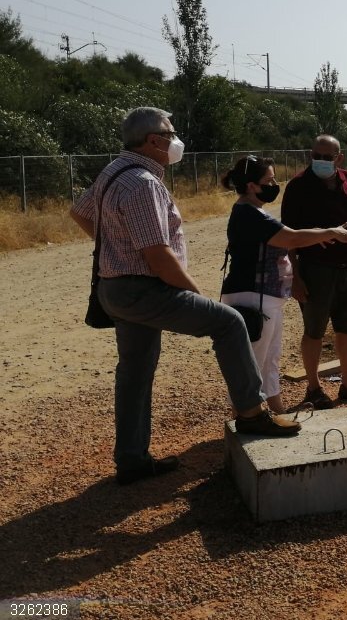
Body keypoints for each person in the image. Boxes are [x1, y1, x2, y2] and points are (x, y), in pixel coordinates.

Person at [70, 107, 301, 486]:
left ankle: (131, 459)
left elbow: (78, 212)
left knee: (135, 371)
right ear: (154, 142)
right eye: (170, 132)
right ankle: (250, 413)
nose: (175, 139)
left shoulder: (113, 171)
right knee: (228, 322)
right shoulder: (143, 183)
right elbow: (158, 256)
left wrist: (116, 244)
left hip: (114, 290)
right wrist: (194, 293)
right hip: (143, 289)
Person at [219, 154, 347, 414]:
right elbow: (291, 238)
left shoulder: (254, 211)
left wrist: (318, 237)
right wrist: (331, 232)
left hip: (266, 296)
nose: (274, 185)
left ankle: (275, 411)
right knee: (252, 362)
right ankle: (246, 416)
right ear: (252, 185)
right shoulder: (249, 214)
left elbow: (289, 239)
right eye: (269, 180)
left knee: (269, 359)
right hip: (253, 296)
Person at [281, 135, 347, 408]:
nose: (321, 161)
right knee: (314, 331)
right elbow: (288, 236)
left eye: (327, 157)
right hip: (316, 272)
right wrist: (296, 277)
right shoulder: (299, 187)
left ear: (339, 158)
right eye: (316, 155)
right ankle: (314, 389)